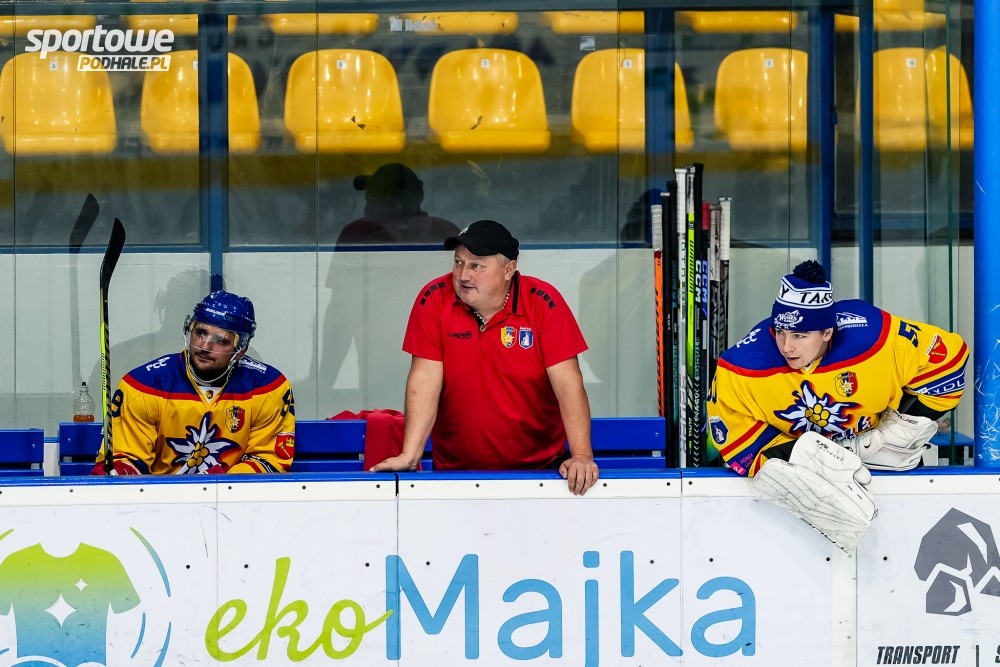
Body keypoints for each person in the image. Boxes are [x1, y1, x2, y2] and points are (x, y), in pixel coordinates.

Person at [707, 260, 968, 552]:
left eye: (800, 335)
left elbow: (949, 360)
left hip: (888, 477)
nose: (787, 346)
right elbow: (735, 438)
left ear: (827, 333)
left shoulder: (876, 339)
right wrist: (805, 460)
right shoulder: (742, 366)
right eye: (780, 331)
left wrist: (898, 432)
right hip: (795, 516)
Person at [371, 219, 600, 495]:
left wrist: (581, 456)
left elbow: (569, 384)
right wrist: (410, 455)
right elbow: (424, 381)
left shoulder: (543, 302)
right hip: (454, 475)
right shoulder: (433, 297)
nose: (463, 275)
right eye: (458, 263)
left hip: (541, 473)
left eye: (476, 266)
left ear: (508, 270)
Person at [91, 291, 295, 475]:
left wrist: (218, 485)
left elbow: (268, 461)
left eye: (221, 340)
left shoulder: (268, 387)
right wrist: (120, 473)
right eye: (200, 333)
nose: (204, 346)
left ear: (241, 349)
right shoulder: (143, 385)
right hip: (159, 498)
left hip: (231, 500)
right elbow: (125, 459)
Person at [336, 163, 459, 245]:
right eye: (372, 195)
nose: (373, 202)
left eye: (379, 196)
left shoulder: (355, 232)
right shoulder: (445, 230)